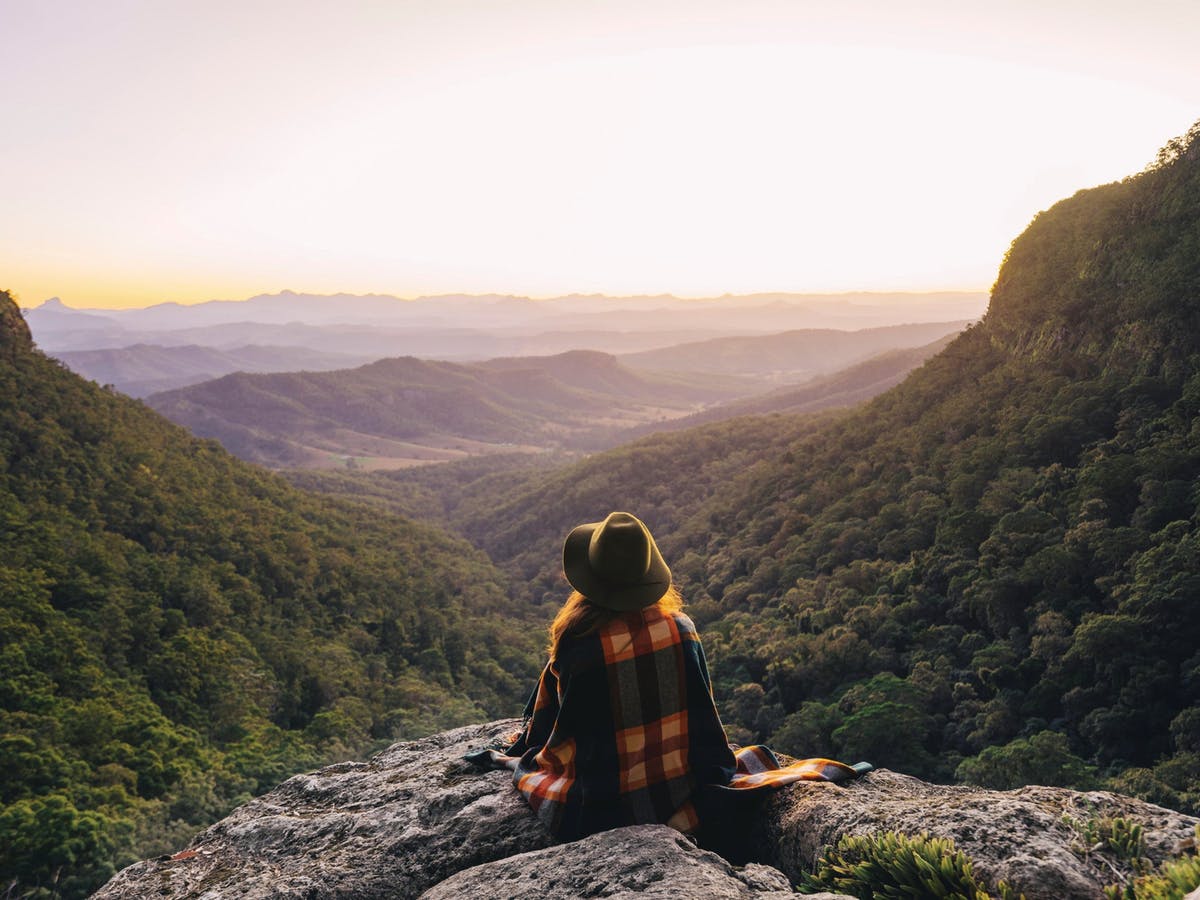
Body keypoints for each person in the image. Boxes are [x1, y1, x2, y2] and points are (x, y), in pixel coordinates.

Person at [468, 511, 868, 843]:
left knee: (531, 766)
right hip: (679, 789)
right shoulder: (682, 628)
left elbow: (550, 730)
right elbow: (703, 722)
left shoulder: (578, 644)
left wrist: (521, 752)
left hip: (596, 807)